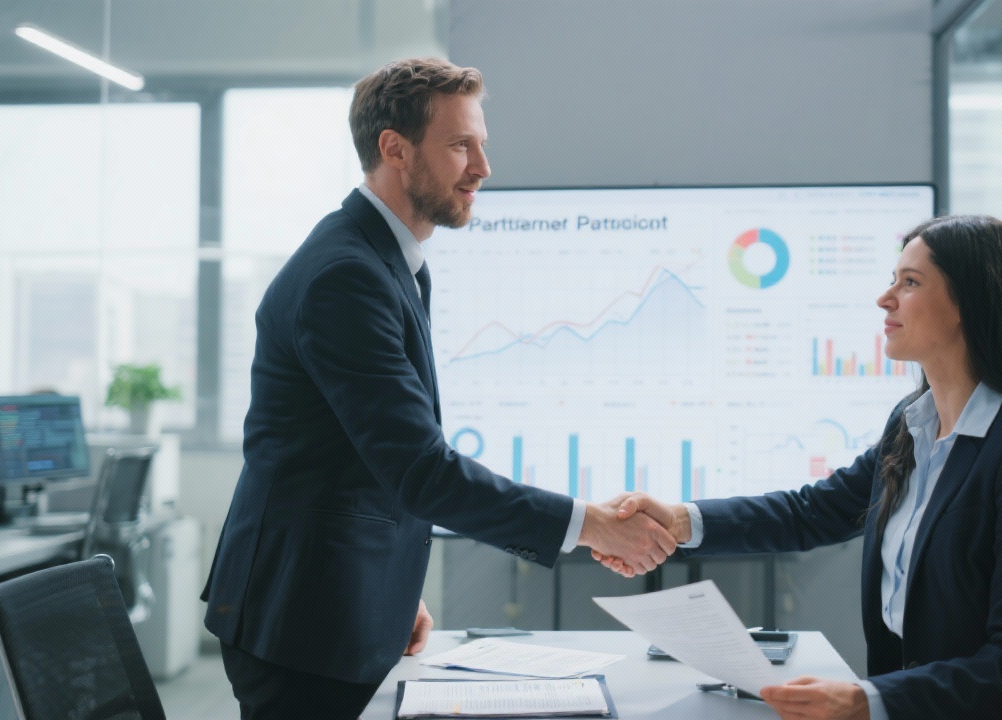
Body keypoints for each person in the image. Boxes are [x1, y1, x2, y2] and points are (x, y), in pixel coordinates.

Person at [202, 57, 676, 720]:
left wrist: (391, 592)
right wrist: (591, 524)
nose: (482, 168)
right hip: (302, 623)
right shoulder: (347, 275)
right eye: (460, 146)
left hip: (340, 602)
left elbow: (362, 460)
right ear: (393, 149)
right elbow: (420, 469)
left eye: (481, 145)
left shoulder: (386, 261)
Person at [600, 214, 1002, 720]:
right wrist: (680, 521)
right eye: (892, 280)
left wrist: (868, 702)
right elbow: (811, 513)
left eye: (909, 283)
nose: (885, 298)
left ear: (970, 303)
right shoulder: (912, 425)